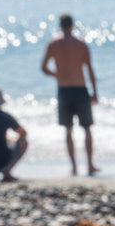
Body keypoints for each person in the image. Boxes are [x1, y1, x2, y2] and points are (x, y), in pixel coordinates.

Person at [41, 13, 99, 176]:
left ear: (60, 25)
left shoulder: (53, 43)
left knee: (68, 129)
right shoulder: (81, 44)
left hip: (64, 89)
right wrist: (95, 92)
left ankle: (74, 166)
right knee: (87, 128)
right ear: (72, 26)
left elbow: (44, 67)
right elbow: (89, 69)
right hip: (81, 88)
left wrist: (57, 74)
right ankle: (90, 165)